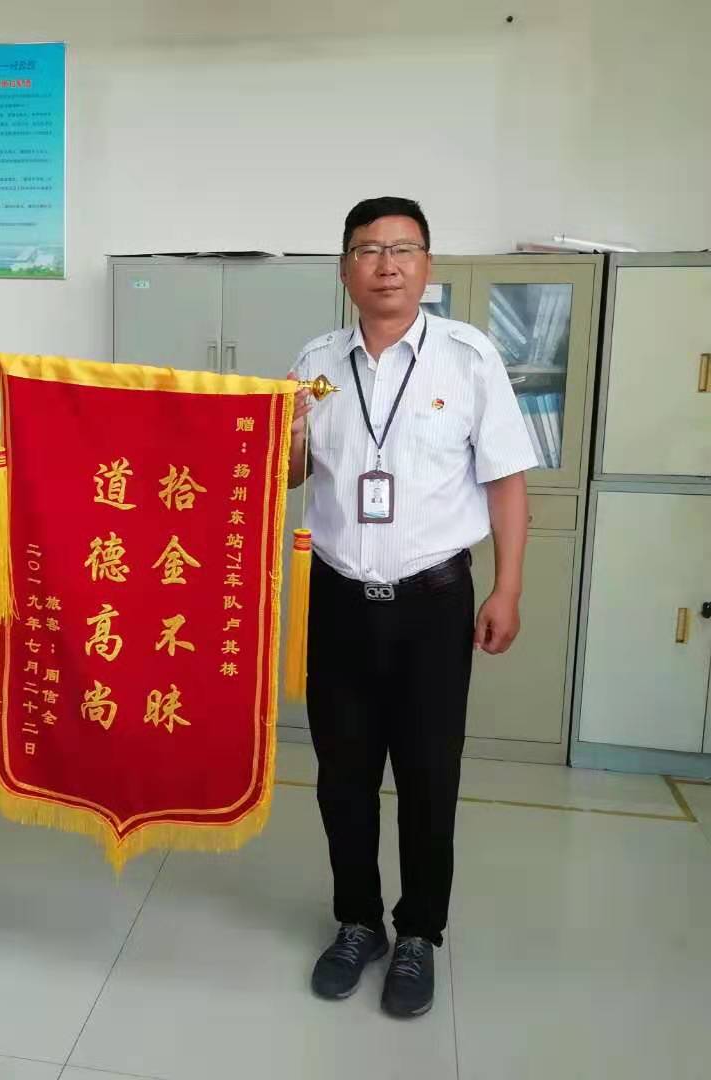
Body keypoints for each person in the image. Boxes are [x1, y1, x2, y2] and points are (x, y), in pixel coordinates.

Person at [288, 197, 537, 1018]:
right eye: (369, 249)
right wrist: (289, 433)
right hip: (337, 600)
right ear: (345, 268)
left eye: (403, 249)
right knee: (343, 778)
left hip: (433, 604)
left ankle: (420, 933)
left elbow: (506, 481)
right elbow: (288, 477)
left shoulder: (468, 358)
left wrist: (507, 586)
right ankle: (357, 922)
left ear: (426, 264)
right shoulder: (315, 361)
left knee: (430, 776)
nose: (387, 265)